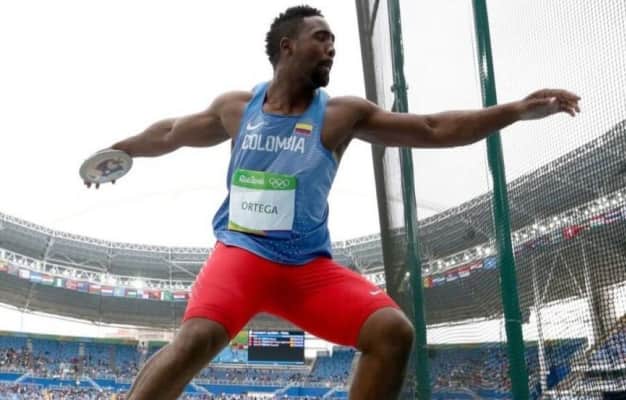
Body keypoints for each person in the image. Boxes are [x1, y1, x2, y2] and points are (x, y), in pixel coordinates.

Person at [85, 5, 580, 400]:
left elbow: (432, 128)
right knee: (196, 339)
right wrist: (121, 150)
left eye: (334, 41)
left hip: (305, 269)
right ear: (287, 46)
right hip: (241, 256)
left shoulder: (342, 114)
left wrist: (515, 111)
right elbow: (171, 132)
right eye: (321, 38)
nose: (331, 48)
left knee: (393, 333)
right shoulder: (237, 108)